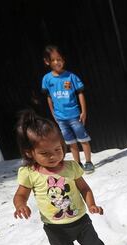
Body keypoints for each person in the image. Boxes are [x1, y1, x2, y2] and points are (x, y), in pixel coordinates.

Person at [12, 110, 127, 245]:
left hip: (81, 222)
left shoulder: (70, 167)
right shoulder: (29, 173)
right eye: (44, 153)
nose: (53, 156)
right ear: (30, 153)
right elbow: (20, 194)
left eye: (58, 149)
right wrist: (21, 205)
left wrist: (91, 204)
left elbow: (84, 189)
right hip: (54, 227)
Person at [41, 45, 94, 173]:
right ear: (47, 62)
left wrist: (84, 112)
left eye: (59, 59)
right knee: (71, 142)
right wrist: (53, 113)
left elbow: (80, 93)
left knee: (83, 139)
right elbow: (49, 97)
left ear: (63, 60)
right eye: (53, 60)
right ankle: (77, 164)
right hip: (61, 118)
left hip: (75, 115)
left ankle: (88, 162)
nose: (56, 62)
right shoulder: (47, 79)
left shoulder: (71, 77)